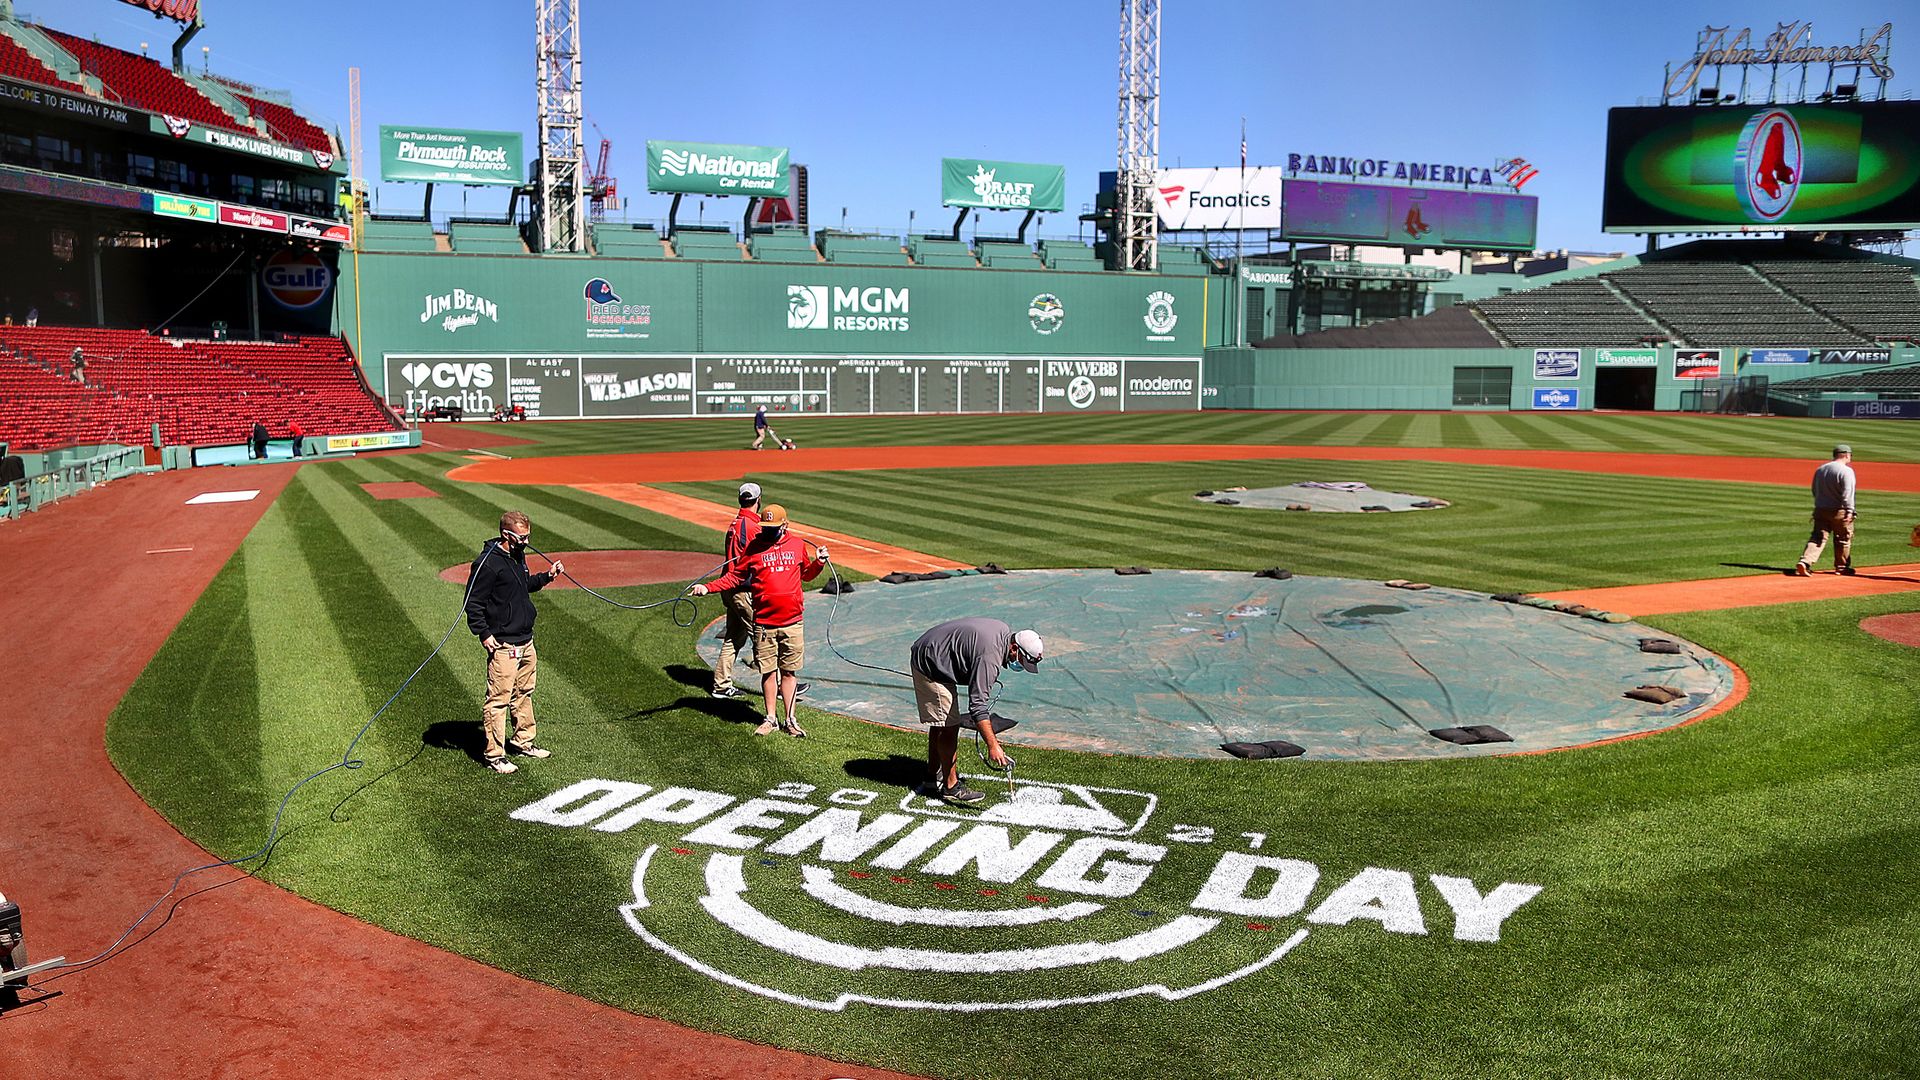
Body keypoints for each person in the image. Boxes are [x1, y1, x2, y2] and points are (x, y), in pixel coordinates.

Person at [690, 504, 826, 736]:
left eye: (773, 527)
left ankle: (790, 720)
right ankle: (770, 718)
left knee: (789, 672)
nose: (768, 531)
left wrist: (819, 563)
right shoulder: (755, 547)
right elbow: (734, 577)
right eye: (766, 526)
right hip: (764, 623)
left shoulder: (796, 545)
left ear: (785, 524)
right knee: (768, 672)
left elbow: (807, 575)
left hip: (792, 621)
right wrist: (708, 587)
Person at [465, 511, 564, 773]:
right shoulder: (487, 563)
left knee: (524, 693)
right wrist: (484, 634)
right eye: (522, 537)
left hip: (525, 639)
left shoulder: (518, 555)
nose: (527, 542)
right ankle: (494, 755)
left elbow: (522, 586)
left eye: (529, 536)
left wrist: (547, 577)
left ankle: (523, 741)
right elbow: (473, 603)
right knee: (498, 699)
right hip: (504, 643)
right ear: (506, 535)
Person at [908, 618, 1044, 806]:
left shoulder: (1003, 631)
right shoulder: (990, 657)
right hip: (929, 662)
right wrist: (993, 746)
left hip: (937, 652)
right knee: (948, 725)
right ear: (1013, 648)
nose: (1019, 665)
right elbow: (977, 707)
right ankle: (951, 787)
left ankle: (932, 777)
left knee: (942, 721)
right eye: (1020, 660)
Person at [710, 482, 762, 699]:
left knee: (734, 637)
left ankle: (721, 685)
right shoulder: (752, 527)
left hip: (730, 587)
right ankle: (779, 686)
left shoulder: (737, 523)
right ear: (758, 501)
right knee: (762, 637)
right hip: (742, 590)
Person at [1795, 443, 1857, 577]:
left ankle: (1805, 562)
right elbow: (1848, 492)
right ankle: (1841, 567)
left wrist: (1820, 503)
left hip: (1821, 508)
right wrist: (1849, 510)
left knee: (1818, 537)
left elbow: (1814, 489)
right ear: (1846, 455)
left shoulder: (1821, 469)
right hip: (1838, 510)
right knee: (1843, 538)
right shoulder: (1846, 471)